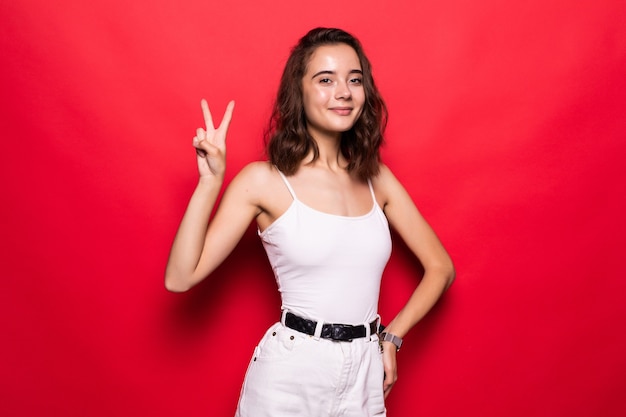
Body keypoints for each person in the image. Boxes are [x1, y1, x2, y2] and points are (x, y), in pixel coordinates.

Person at [165, 27, 455, 417]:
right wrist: (209, 183)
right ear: (297, 93)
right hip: (291, 375)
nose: (344, 92)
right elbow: (180, 278)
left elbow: (441, 268)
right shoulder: (263, 181)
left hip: (365, 376)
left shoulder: (376, 179)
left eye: (355, 79)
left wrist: (392, 338)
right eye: (325, 79)